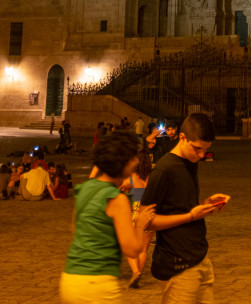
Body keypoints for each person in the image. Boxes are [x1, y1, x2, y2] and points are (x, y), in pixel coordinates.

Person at [141, 111, 229, 300]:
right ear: (182, 137)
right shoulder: (164, 170)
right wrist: (190, 216)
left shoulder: (190, 162)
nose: (201, 155)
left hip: (200, 258)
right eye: (197, 148)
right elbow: (146, 222)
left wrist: (205, 205)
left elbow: (181, 205)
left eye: (205, 150)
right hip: (177, 266)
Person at [60, 131, 155, 303]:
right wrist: (140, 224)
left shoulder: (86, 188)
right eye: (133, 157)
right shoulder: (116, 199)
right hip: (97, 284)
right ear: (121, 163)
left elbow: (75, 228)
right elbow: (131, 249)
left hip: (70, 279)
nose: (136, 161)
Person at [123, 149, 154, 287]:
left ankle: (135, 272)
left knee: (129, 246)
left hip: (134, 213)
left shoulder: (130, 177)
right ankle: (138, 274)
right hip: (149, 213)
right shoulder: (153, 177)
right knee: (144, 248)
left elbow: (120, 191)